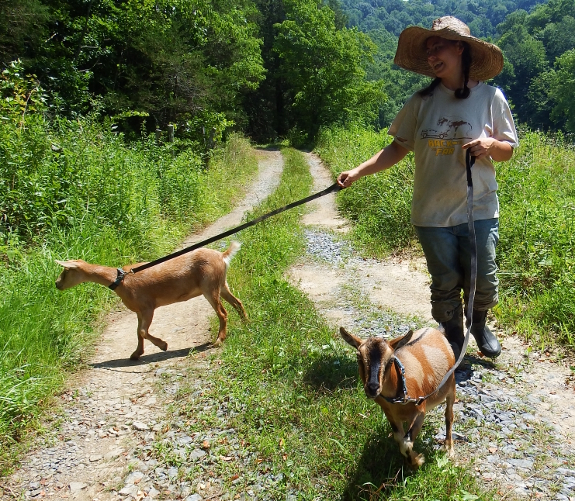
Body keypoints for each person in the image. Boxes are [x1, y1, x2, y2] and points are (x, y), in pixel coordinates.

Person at [337, 16, 518, 359]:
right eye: (429, 49)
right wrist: (357, 171)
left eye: (439, 46)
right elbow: (397, 148)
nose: (433, 54)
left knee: (484, 280)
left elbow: (508, 149)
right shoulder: (421, 101)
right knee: (445, 283)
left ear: (460, 49)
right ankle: (452, 332)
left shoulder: (491, 98)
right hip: (431, 213)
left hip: (478, 208)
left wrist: (489, 145)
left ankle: (477, 323)